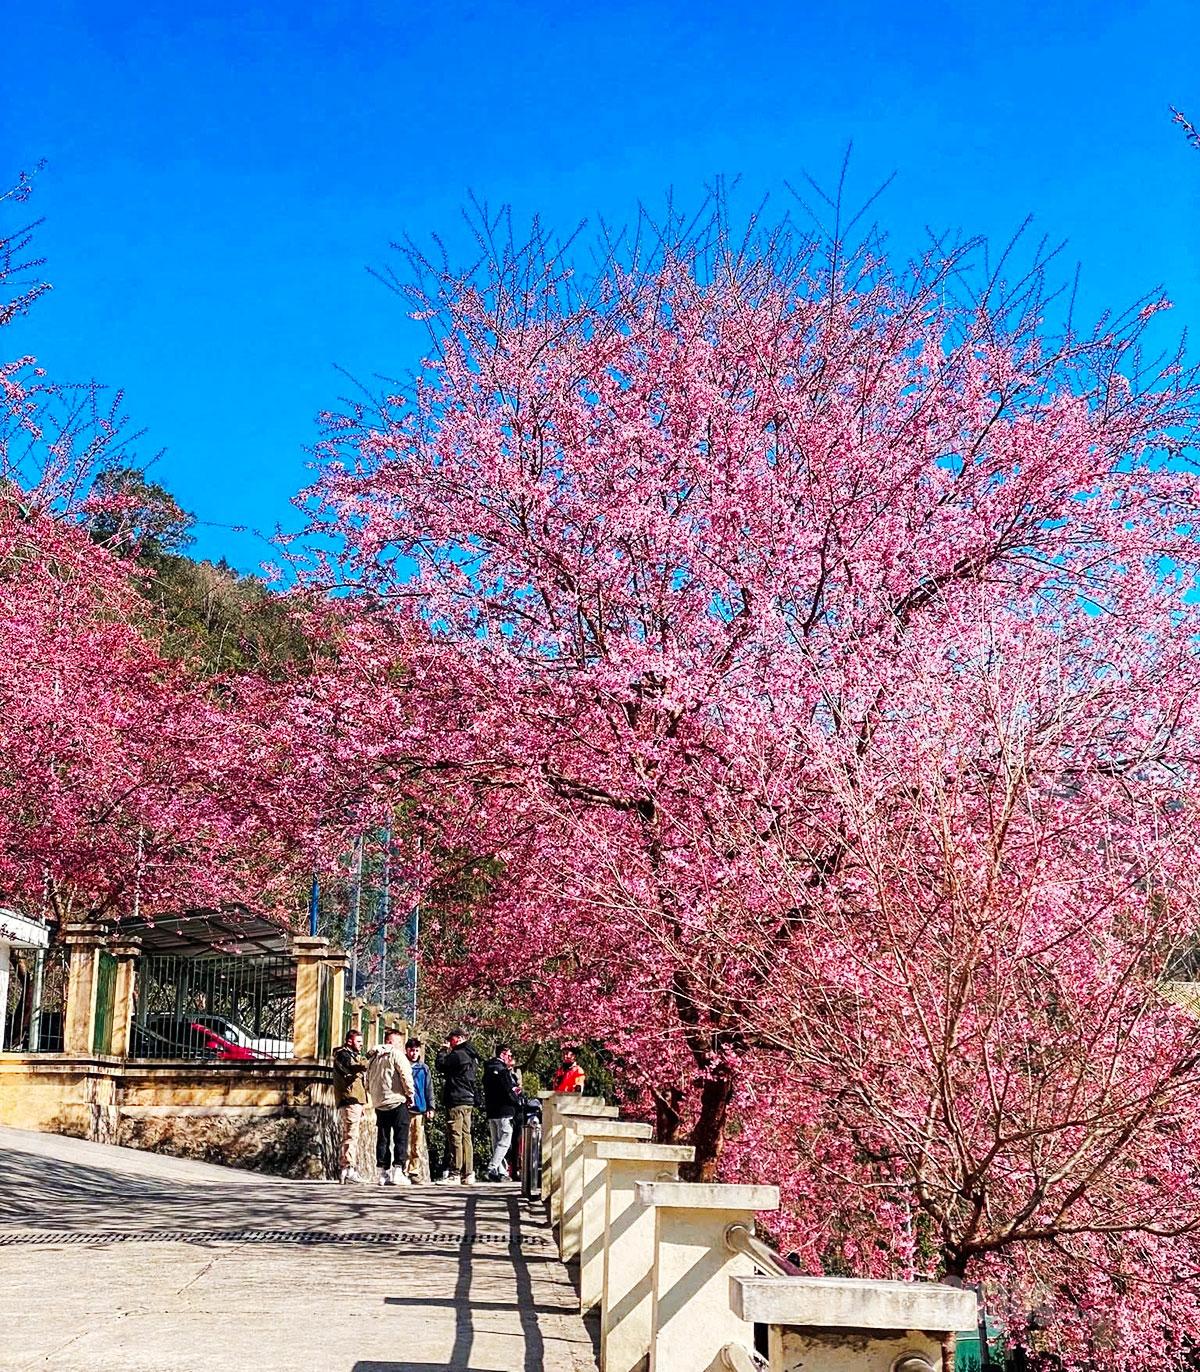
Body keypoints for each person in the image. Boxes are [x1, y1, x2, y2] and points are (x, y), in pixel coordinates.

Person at [367, 1027, 416, 1186]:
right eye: (399, 1042)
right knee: (401, 1136)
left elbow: (367, 1079)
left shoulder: (373, 1057)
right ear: (390, 1042)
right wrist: (410, 1094)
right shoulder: (396, 1054)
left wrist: (373, 1094)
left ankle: (382, 1172)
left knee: (383, 1137)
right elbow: (405, 1075)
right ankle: (398, 1170)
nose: (401, 1045)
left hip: (379, 1102)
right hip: (396, 1099)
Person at [435, 1027, 481, 1185]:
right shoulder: (472, 1055)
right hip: (468, 1098)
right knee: (466, 1136)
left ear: (459, 1038)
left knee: (455, 1135)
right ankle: (468, 1172)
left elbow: (441, 1065)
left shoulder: (458, 1054)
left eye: (451, 1039)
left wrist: (442, 1051)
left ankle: (455, 1172)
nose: (450, 1042)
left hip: (456, 1098)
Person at [332, 1028, 368, 1183]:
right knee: (351, 1135)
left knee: (353, 1135)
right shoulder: (343, 1055)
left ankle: (348, 1168)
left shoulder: (352, 1055)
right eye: (358, 1041)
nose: (361, 1044)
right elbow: (353, 1066)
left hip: (356, 1100)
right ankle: (348, 1168)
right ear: (349, 1041)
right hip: (349, 1100)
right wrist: (367, 1060)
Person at [482, 1043, 522, 1182]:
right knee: (504, 1141)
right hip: (505, 1110)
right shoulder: (503, 1071)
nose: (510, 1058)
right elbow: (508, 1091)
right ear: (503, 1054)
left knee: (496, 1143)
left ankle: (501, 1172)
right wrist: (517, 1101)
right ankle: (492, 1168)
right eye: (509, 1055)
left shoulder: (488, 1069)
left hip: (492, 1111)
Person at [405, 1037, 433, 1183]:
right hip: (404, 1108)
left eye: (416, 1050)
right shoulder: (402, 1065)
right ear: (406, 1050)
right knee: (403, 1140)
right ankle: (402, 1168)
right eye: (411, 1050)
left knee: (417, 1141)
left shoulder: (424, 1068)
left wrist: (430, 1106)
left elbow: (429, 1088)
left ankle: (414, 1170)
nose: (414, 1053)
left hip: (419, 1109)